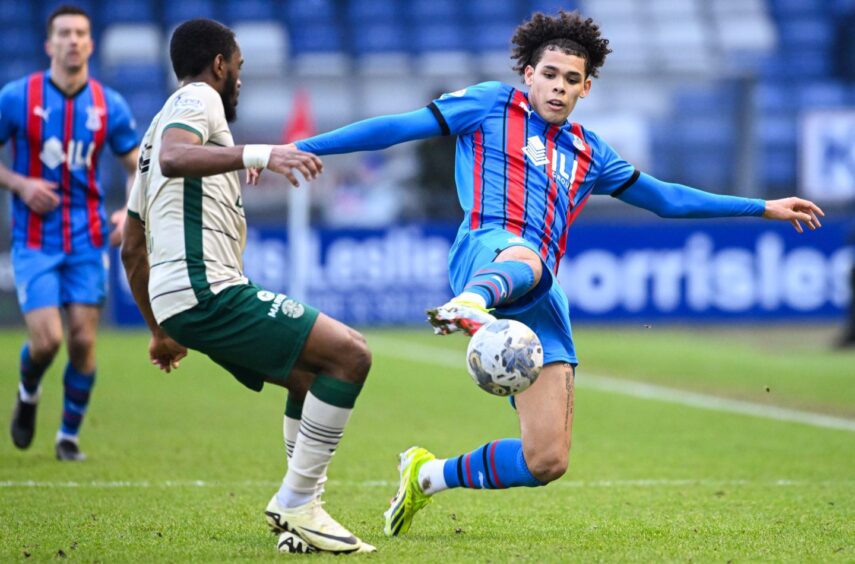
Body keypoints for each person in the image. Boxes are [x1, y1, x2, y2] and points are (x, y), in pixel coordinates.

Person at [288, 10, 826, 537]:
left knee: (546, 459)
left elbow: (667, 199)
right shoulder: (489, 104)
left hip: (540, 292)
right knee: (524, 254)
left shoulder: (590, 151)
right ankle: (470, 304)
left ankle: (427, 475)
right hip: (487, 250)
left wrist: (761, 207)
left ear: (586, 88)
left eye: (572, 79)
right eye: (549, 74)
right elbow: (396, 128)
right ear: (528, 73)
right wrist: (302, 148)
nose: (558, 87)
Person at [120, 19, 375, 554]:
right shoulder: (197, 99)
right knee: (351, 354)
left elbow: (131, 247)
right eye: (239, 67)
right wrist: (262, 153)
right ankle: (297, 502)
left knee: (308, 379)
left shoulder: (149, 136)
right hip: (207, 290)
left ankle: (299, 520)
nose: (240, 79)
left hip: (180, 301)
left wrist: (158, 329)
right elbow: (177, 156)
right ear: (220, 64)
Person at [0, 5, 139, 461]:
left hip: (89, 237)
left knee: (82, 339)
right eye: (64, 33)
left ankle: (68, 438)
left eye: (81, 33)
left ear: (91, 44)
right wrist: (20, 184)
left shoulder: (108, 104)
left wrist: (129, 212)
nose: (73, 40)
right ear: (49, 44)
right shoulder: (17, 97)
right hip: (35, 238)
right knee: (48, 341)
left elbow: (136, 165)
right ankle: (28, 390)